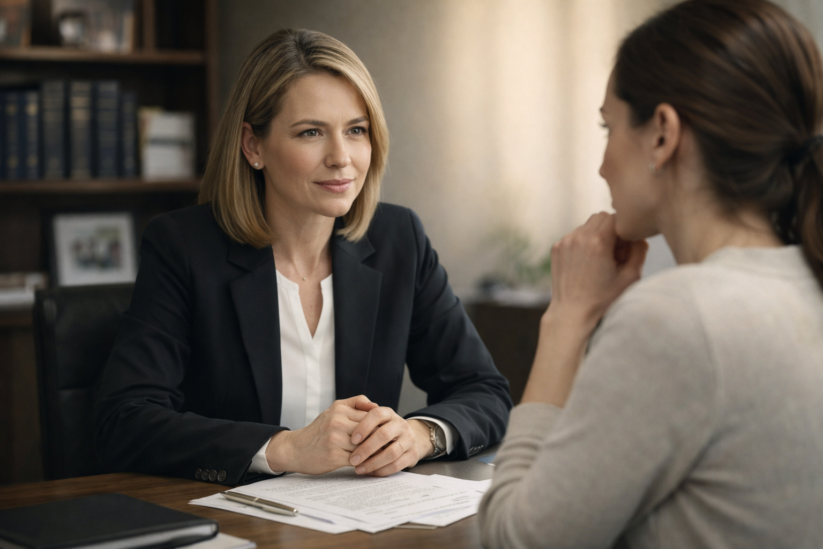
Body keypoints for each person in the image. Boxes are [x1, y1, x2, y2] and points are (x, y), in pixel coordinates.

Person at [94, 29, 512, 486]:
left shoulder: (399, 240)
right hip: (234, 521)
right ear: (253, 146)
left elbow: (484, 390)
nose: (341, 158)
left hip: (359, 520)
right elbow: (125, 420)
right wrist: (286, 448)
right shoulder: (184, 247)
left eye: (356, 130)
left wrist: (420, 434)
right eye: (311, 132)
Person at [479, 0, 823, 547]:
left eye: (607, 126)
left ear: (662, 133)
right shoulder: (805, 284)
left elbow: (512, 539)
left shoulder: (679, 317)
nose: (601, 163)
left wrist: (569, 316)